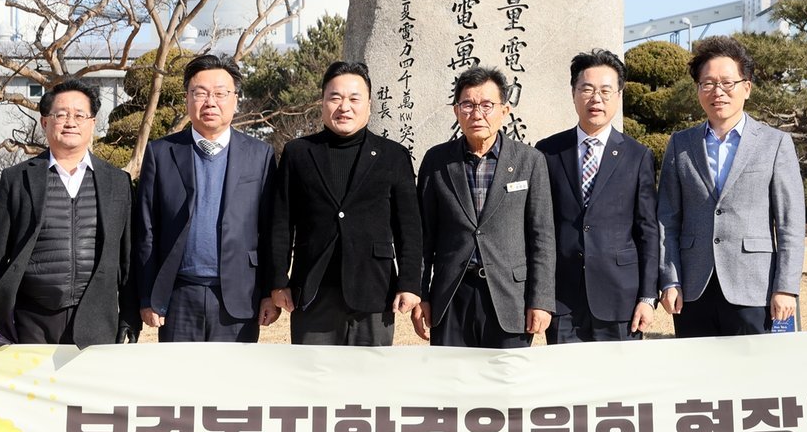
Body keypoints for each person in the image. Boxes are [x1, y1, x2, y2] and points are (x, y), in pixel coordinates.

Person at [0, 78, 136, 348]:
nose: (71, 122)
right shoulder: (16, 179)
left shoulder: (117, 181)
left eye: (79, 115)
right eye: (61, 114)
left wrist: (129, 314)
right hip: (31, 319)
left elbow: (128, 258)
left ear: (93, 123)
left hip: (97, 319)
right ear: (45, 122)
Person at [657, 36, 805, 337]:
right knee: (697, 366)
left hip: (754, 286)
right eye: (708, 83)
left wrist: (786, 287)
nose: (718, 92)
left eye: (727, 83)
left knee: (754, 367)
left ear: (746, 87)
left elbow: (790, 222)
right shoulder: (680, 144)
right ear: (698, 89)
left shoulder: (775, 143)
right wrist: (670, 279)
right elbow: (666, 220)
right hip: (693, 288)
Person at [269, 61, 422, 345]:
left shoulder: (393, 156)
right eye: (335, 98)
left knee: (370, 372)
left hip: (374, 291)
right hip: (312, 291)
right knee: (313, 372)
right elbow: (280, 223)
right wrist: (278, 281)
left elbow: (409, 228)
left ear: (369, 105)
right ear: (323, 102)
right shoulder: (298, 153)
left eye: (354, 99)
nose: (344, 107)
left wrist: (410, 283)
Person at [133, 53, 277, 342]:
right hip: (178, 294)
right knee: (179, 372)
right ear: (187, 98)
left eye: (220, 94)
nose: (210, 102)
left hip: (239, 294)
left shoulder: (260, 155)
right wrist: (148, 295)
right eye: (200, 93)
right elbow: (146, 229)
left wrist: (268, 292)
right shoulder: (161, 153)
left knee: (234, 372)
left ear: (235, 99)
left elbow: (271, 230)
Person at [414, 66, 555, 348]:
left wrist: (540, 300)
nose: (477, 114)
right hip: (452, 294)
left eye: (487, 105)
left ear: (504, 110)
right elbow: (423, 236)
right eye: (468, 105)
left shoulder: (530, 161)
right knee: (453, 375)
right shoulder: (437, 161)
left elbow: (542, 237)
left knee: (506, 375)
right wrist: (421, 295)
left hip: (510, 297)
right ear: (456, 111)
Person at [536, 49, 659, 343]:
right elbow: (539, 226)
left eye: (605, 91)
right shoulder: (548, 152)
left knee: (619, 373)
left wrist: (647, 296)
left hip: (621, 297)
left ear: (619, 95)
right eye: (587, 89)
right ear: (573, 93)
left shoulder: (637, 155)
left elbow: (648, 230)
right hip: (562, 298)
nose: (596, 99)